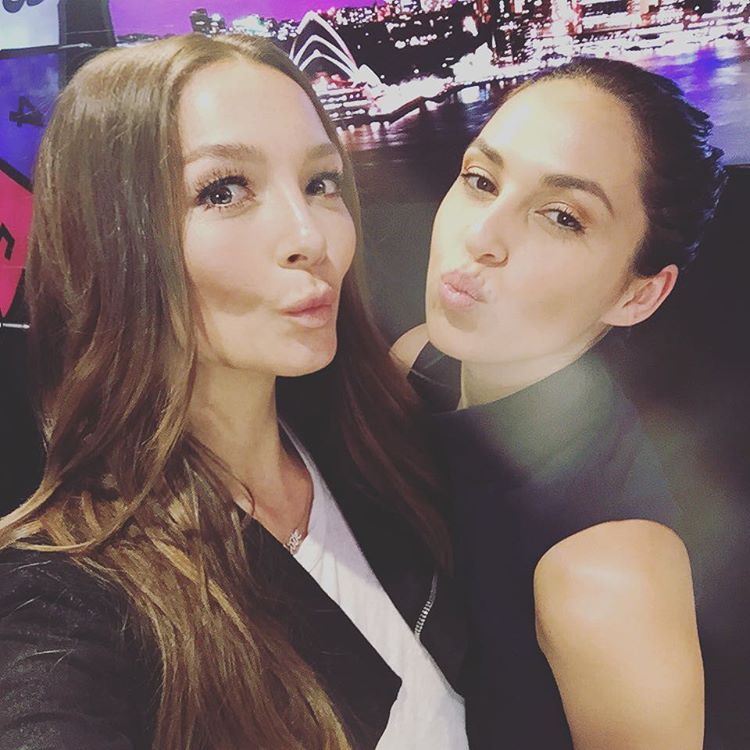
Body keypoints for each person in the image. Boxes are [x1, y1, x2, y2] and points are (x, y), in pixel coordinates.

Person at [0, 34, 469, 750]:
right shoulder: (67, 595)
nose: (310, 236)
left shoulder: (381, 450)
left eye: (320, 183)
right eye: (223, 191)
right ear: (111, 238)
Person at [394, 57, 725, 750]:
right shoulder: (417, 363)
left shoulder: (610, 573)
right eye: (481, 180)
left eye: (561, 217)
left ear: (637, 293)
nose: (481, 237)